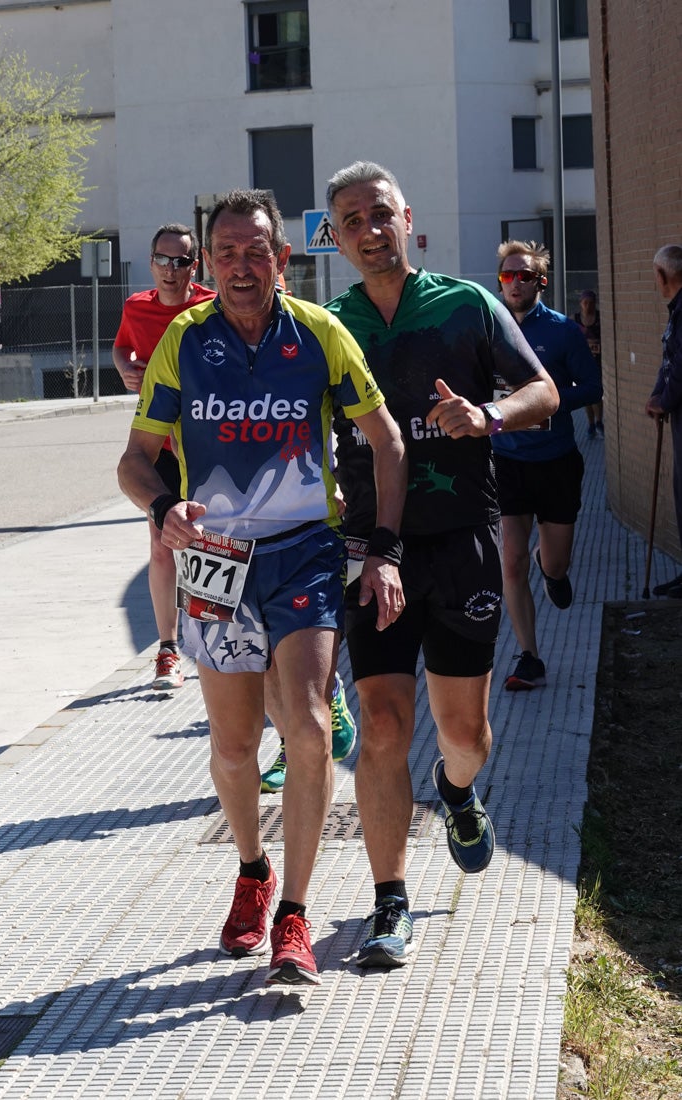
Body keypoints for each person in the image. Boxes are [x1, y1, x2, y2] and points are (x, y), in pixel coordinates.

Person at [117, 188, 407, 986]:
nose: (241, 266)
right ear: (209, 264)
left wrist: (381, 547)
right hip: (215, 562)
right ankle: (252, 870)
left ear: (283, 260)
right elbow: (134, 460)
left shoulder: (318, 332)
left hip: (302, 553)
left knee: (309, 727)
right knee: (234, 746)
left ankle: (296, 916)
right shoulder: (183, 339)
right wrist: (161, 503)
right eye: (226, 253)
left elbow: (386, 440)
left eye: (257, 251)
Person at [324, 161, 559, 968]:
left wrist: (486, 414)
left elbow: (544, 390)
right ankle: (389, 902)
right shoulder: (330, 323)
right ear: (338, 237)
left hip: (462, 542)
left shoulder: (465, 304)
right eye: (350, 220)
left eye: (378, 213)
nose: (367, 229)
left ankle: (456, 791)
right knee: (383, 725)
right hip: (373, 550)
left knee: (467, 735)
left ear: (405, 217)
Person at [494, 240, 603, 691]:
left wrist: (549, 404)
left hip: (556, 462)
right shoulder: (488, 330)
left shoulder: (563, 331)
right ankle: (529, 657)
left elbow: (592, 388)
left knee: (553, 564)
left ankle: (551, 567)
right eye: (507, 276)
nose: (515, 283)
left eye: (523, 276)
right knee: (512, 563)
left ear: (540, 281)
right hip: (506, 462)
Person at [113, 224, 215, 690]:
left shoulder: (214, 307)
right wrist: (123, 366)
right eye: (162, 259)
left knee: (214, 543)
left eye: (181, 261)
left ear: (195, 265)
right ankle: (168, 650)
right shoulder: (137, 306)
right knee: (161, 544)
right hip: (160, 447)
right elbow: (121, 345)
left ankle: (218, 641)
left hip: (210, 446)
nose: (170, 270)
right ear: (151, 261)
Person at [645, 244, 682, 597]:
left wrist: (665, 400)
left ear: (662, 275)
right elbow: (668, 361)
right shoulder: (676, 311)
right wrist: (657, 397)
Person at [574, 289, 604, 438]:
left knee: (597, 394)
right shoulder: (575, 319)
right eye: (585, 303)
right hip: (582, 363)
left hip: (598, 362)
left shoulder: (600, 318)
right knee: (586, 394)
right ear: (580, 304)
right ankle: (590, 424)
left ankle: (599, 422)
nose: (588, 306)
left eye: (591, 303)